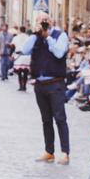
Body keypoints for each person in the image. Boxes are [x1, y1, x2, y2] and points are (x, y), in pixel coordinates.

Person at [21, 12, 70, 165]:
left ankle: (65, 153)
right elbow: (24, 50)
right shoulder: (35, 37)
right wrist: (36, 34)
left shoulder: (60, 35)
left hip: (55, 82)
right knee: (46, 120)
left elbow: (59, 52)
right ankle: (49, 151)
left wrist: (48, 36)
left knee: (60, 118)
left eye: (45, 20)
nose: (43, 23)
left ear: (51, 21)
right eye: (39, 21)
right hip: (40, 84)